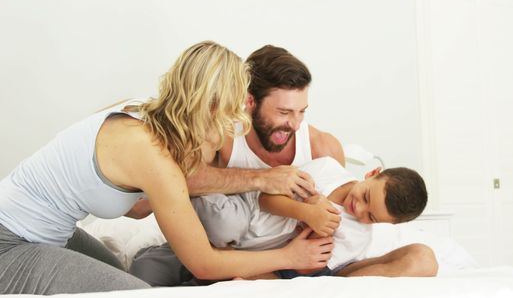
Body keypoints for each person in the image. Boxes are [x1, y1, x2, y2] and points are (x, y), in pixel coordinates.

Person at [0, 41, 334, 295]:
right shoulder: (150, 153)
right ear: (213, 106)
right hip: (9, 243)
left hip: (49, 233)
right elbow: (203, 262)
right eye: (236, 107)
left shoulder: (137, 111)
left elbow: (137, 208)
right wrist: (291, 257)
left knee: (128, 278)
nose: (238, 119)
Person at [184, 44, 438, 278]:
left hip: (293, 263)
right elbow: (179, 183)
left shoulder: (323, 149)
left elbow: (329, 247)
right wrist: (264, 179)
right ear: (250, 102)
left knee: (422, 258)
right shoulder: (225, 134)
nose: (295, 124)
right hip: (225, 247)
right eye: (284, 112)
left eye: (301, 112)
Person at [130, 156, 429, 285]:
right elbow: (266, 197)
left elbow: (304, 267)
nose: (359, 210)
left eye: (372, 217)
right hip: (244, 213)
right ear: (372, 174)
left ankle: (165, 255)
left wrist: (310, 237)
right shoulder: (327, 168)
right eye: (366, 197)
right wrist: (305, 211)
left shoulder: (357, 238)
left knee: (142, 273)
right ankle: (160, 189)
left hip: (247, 253)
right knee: (224, 223)